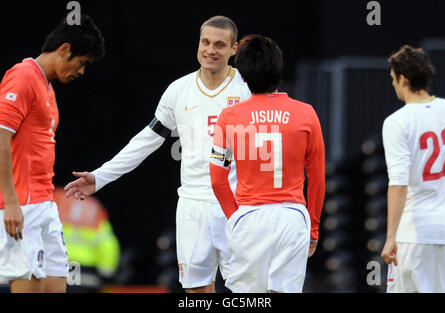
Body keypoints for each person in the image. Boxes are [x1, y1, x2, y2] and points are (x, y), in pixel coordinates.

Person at [64, 16, 251, 293]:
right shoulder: (179, 90)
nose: (210, 50)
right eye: (205, 42)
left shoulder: (248, 89)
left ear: (234, 49)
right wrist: (100, 176)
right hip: (193, 205)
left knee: (247, 291)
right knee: (196, 290)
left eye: (220, 45)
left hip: (238, 204)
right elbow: (145, 141)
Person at [209, 34, 326, 293]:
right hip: (292, 217)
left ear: (244, 76)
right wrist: (314, 229)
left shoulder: (228, 117)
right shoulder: (307, 114)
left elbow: (218, 179)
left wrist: (235, 217)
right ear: (279, 70)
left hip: (249, 216)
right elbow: (317, 178)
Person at [0, 15, 105, 293]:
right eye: (82, 63)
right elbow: (0, 138)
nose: (81, 72)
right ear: (64, 50)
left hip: (45, 204)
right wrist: (10, 202)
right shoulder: (22, 76)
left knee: (57, 284)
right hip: (22, 205)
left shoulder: (46, 87)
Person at [381, 45, 445, 293]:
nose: (392, 84)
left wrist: (391, 237)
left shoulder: (397, 122)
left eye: (393, 79)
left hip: (415, 233)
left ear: (403, 79)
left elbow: (398, 182)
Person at [53, 187, 120, 293]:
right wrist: (107, 274)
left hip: (56, 270)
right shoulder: (94, 210)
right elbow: (107, 245)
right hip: (87, 276)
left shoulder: (53, 204)